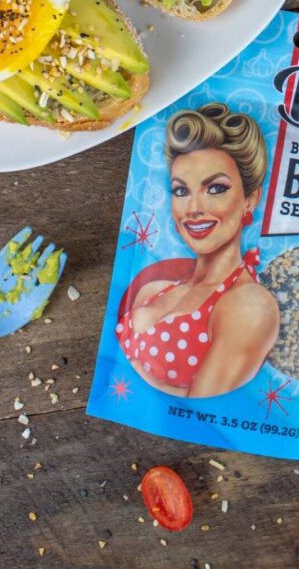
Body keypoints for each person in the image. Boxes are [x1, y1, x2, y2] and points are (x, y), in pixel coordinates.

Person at [116, 103, 280, 398]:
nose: (193, 209)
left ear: (250, 199)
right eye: (181, 191)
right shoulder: (154, 289)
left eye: (215, 188)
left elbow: (201, 407)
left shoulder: (249, 305)